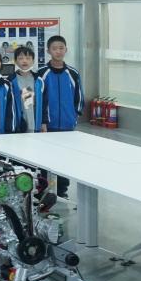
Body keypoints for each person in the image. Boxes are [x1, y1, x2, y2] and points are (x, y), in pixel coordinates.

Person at [37, 35, 83, 198]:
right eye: (54, 48)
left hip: (67, 125)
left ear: (66, 50)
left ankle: (62, 190)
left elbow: (79, 97)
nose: (58, 51)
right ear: (48, 51)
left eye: (61, 48)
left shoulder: (73, 73)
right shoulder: (42, 73)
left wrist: (74, 116)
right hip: (47, 125)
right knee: (46, 158)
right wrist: (42, 121)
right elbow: (38, 99)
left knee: (64, 159)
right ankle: (44, 190)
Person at [11, 46, 48, 134]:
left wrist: (44, 122)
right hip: (18, 127)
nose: (24, 61)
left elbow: (45, 103)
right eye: (21, 58)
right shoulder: (10, 81)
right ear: (15, 61)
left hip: (36, 125)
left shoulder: (39, 81)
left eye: (28, 58)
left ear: (33, 61)